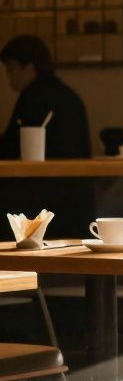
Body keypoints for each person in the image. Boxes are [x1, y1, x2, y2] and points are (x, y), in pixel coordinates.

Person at [0, 35, 93, 237]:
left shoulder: (33, 97)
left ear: (30, 66)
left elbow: (10, 147)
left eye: (11, 69)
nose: (8, 77)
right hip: (75, 202)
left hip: (41, 203)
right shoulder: (69, 96)